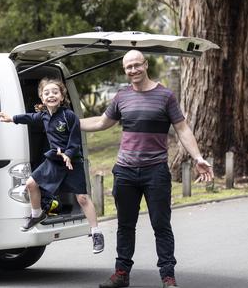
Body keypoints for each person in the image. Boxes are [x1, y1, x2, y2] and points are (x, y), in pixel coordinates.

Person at [81, 50, 214, 288]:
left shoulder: (165, 96)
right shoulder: (121, 96)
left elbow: (182, 129)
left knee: (161, 225)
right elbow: (102, 122)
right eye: (128, 67)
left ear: (146, 64)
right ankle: (121, 274)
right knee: (125, 225)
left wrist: (197, 157)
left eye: (136, 65)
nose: (133, 70)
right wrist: (67, 122)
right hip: (125, 171)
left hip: (156, 172)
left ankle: (168, 276)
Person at [0, 78, 105, 254]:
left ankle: (96, 232)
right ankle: (37, 214)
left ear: (62, 96)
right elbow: (30, 118)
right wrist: (11, 118)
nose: (51, 95)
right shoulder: (44, 115)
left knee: (82, 198)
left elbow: (75, 141)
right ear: (41, 97)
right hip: (54, 161)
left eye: (55, 92)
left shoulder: (69, 116)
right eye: (46, 93)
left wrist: (68, 155)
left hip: (72, 163)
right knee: (31, 184)